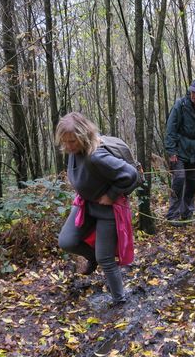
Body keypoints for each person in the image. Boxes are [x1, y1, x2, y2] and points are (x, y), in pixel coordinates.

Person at [56, 112, 140, 307]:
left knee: (106, 259)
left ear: (83, 137)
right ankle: (93, 258)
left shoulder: (97, 156)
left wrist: (111, 195)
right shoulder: (73, 152)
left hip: (107, 211)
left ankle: (120, 301)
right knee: (67, 241)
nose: (68, 147)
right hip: (86, 205)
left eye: (72, 142)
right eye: (65, 142)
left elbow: (130, 174)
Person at [164, 79, 195, 223]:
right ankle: (173, 215)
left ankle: (187, 213)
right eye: (192, 91)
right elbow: (170, 129)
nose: (194, 95)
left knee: (191, 184)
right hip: (179, 151)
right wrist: (171, 151)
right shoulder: (181, 105)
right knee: (179, 180)